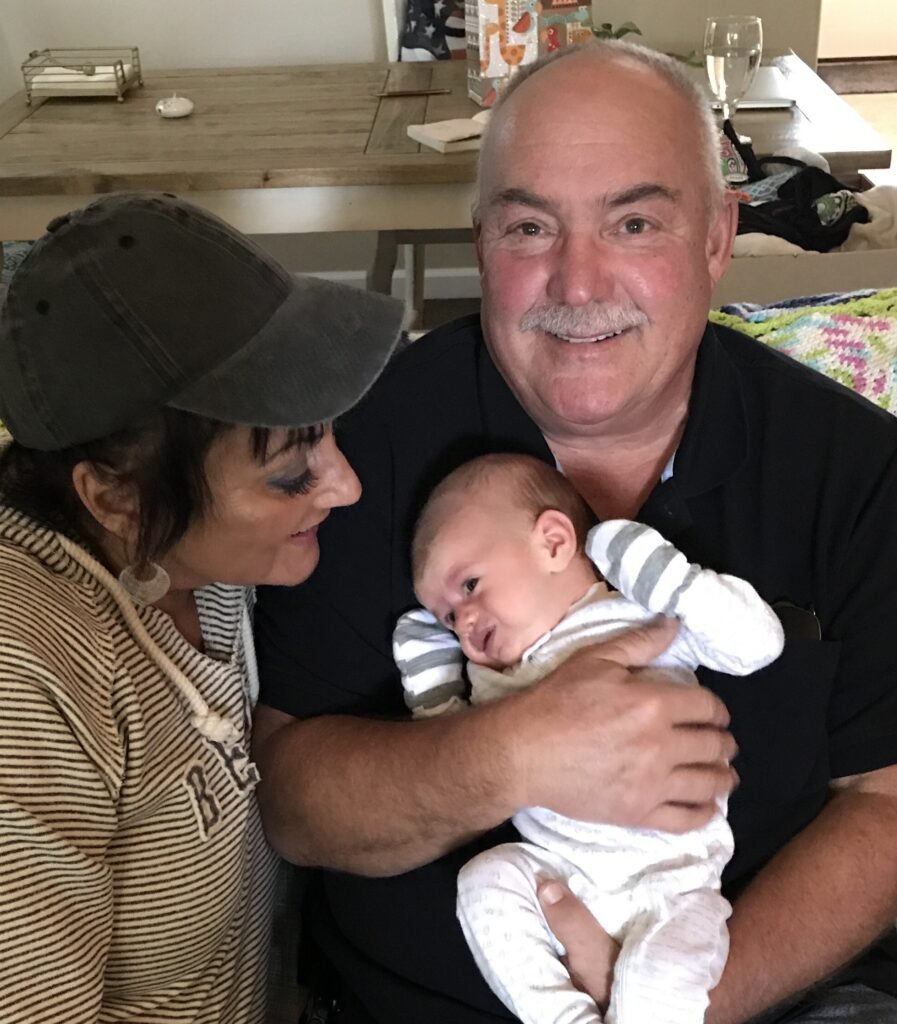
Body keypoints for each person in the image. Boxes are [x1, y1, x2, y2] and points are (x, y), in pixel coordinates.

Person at [252, 39, 897, 1024]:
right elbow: (295, 802)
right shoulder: (360, 454)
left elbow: (882, 806)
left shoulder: (855, 471)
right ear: (481, 245)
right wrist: (511, 754)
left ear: (717, 237)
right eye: (530, 228)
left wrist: (680, 1003)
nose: (578, 283)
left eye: (634, 223)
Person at [0, 192, 404, 1023]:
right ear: (115, 498)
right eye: (289, 474)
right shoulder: (27, 679)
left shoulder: (206, 555)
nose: (345, 486)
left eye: (328, 434)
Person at [393, 452, 783, 1024]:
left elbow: (757, 645)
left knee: (656, 990)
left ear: (553, 542)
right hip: (567, 875)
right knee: (485, 882)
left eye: (469, 585)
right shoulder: (493, 680)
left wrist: (676, 583)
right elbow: (448, 760)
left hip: (674, 886)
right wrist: (434, 689)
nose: (465, 623)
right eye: (447, 618)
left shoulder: (632, 615)